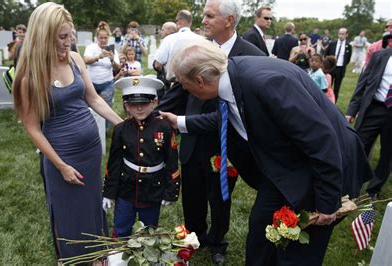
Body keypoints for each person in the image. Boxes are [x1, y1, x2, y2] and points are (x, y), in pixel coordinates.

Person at [160, 39, 372, 266]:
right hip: (285, 166)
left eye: (183, 83)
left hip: (323, 169)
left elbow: (321, 141)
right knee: (261, 231)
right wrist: (180, 122)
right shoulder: (229, 78)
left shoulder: (268, 83)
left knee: (299, 251)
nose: (183, 89)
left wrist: (328, 202)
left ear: (200, 81)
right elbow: (228, 117)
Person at [12, 2, 123, 261]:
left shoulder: (74, 59)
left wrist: (124, 125)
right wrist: (61, 165)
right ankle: (72, 257)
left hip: (90, 151)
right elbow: (32, 127)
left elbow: (93, 99)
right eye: (62, 37)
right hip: (61, 156)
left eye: (70, 35)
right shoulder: (29, 77)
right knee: (68, 211)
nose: (68, 42)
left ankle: (97, 253)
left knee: (93, 206)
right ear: (44, 36)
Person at [157, 0, 264, 264]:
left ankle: (218, 241)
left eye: (209, 15)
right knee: (192, 194)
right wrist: (151, 113)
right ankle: (195, 235)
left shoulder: (251, 55)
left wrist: (181, 122)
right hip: (193, 141)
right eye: (202, 14)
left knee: (220, 197)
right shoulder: (196, 49)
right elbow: (180, 90)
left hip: (226, 146)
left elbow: (243, 111)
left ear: (229, 20)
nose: (202, 20)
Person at [102, 76, 180, 237]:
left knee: (148, 232)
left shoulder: (164, 128)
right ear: (126, 106)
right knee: (121, 228)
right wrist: (109, 192)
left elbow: (171, 161)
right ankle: (119, 258)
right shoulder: (121, 129)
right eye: (133, 104)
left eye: (144, 103)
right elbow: (114, 163)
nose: (139, 108)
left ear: (154, 102)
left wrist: (171, 191)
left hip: (153, 189)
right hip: (126, 189)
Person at [346, 33, 392, 200]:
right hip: (374, 108)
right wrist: (352, 110)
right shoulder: (380, 56)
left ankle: (374, 189)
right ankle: (352, 184)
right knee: (359, 146)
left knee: (387, 154)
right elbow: (363, 83)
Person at [84, 21, 120, 109]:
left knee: (106, 108)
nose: (103, 40)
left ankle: (106, 123)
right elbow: (86, 60)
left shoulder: (112, 50)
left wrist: (112, 60)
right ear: (97, 38)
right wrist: (98, 57)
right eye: (101, 38)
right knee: (90, 108)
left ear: (108, 38)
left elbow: (117, 67)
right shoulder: (91, 47)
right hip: (91, 83)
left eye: (105, 38)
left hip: (107, 83)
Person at [324, 27, 352, 101]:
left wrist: (342, 65)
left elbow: (348, 59)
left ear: (346, 35)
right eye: (340, 34)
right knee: (327, 85)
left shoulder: (348, 46)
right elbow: (326, 54)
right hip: (331, 68)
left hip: (340, 69)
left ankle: (334, 102)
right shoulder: (332, 44)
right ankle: (326, 100)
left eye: (343, 34)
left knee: (337, 88)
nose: (341, 36)